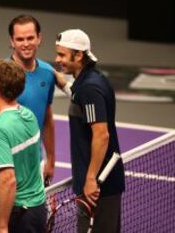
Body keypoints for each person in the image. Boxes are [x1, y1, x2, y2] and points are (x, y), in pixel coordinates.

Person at [0, 14, 69, 185]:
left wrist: (51, 160)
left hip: (33, 160)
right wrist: (12, 136)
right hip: (2, 159)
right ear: (12, 41)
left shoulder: (48, 72)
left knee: (32, 209)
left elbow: (46, 119)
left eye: (30, 38)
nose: (25, 44)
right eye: (20, 39)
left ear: (39, 38)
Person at [54, 29, 125, 232]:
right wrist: (60, 82)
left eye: (62, 55)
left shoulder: (89, 88)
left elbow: (102, 135)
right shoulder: (89, 80)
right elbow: (81, 100)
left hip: (99, 186)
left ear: (79, 55)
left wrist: (91, 178)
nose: (57, 59)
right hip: (102, 182)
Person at [0, 59, 47, 233]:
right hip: (36, 211)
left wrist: (2, 226)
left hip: (9, 214)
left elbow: (8, 179)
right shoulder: (29, 116)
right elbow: (16, 158)